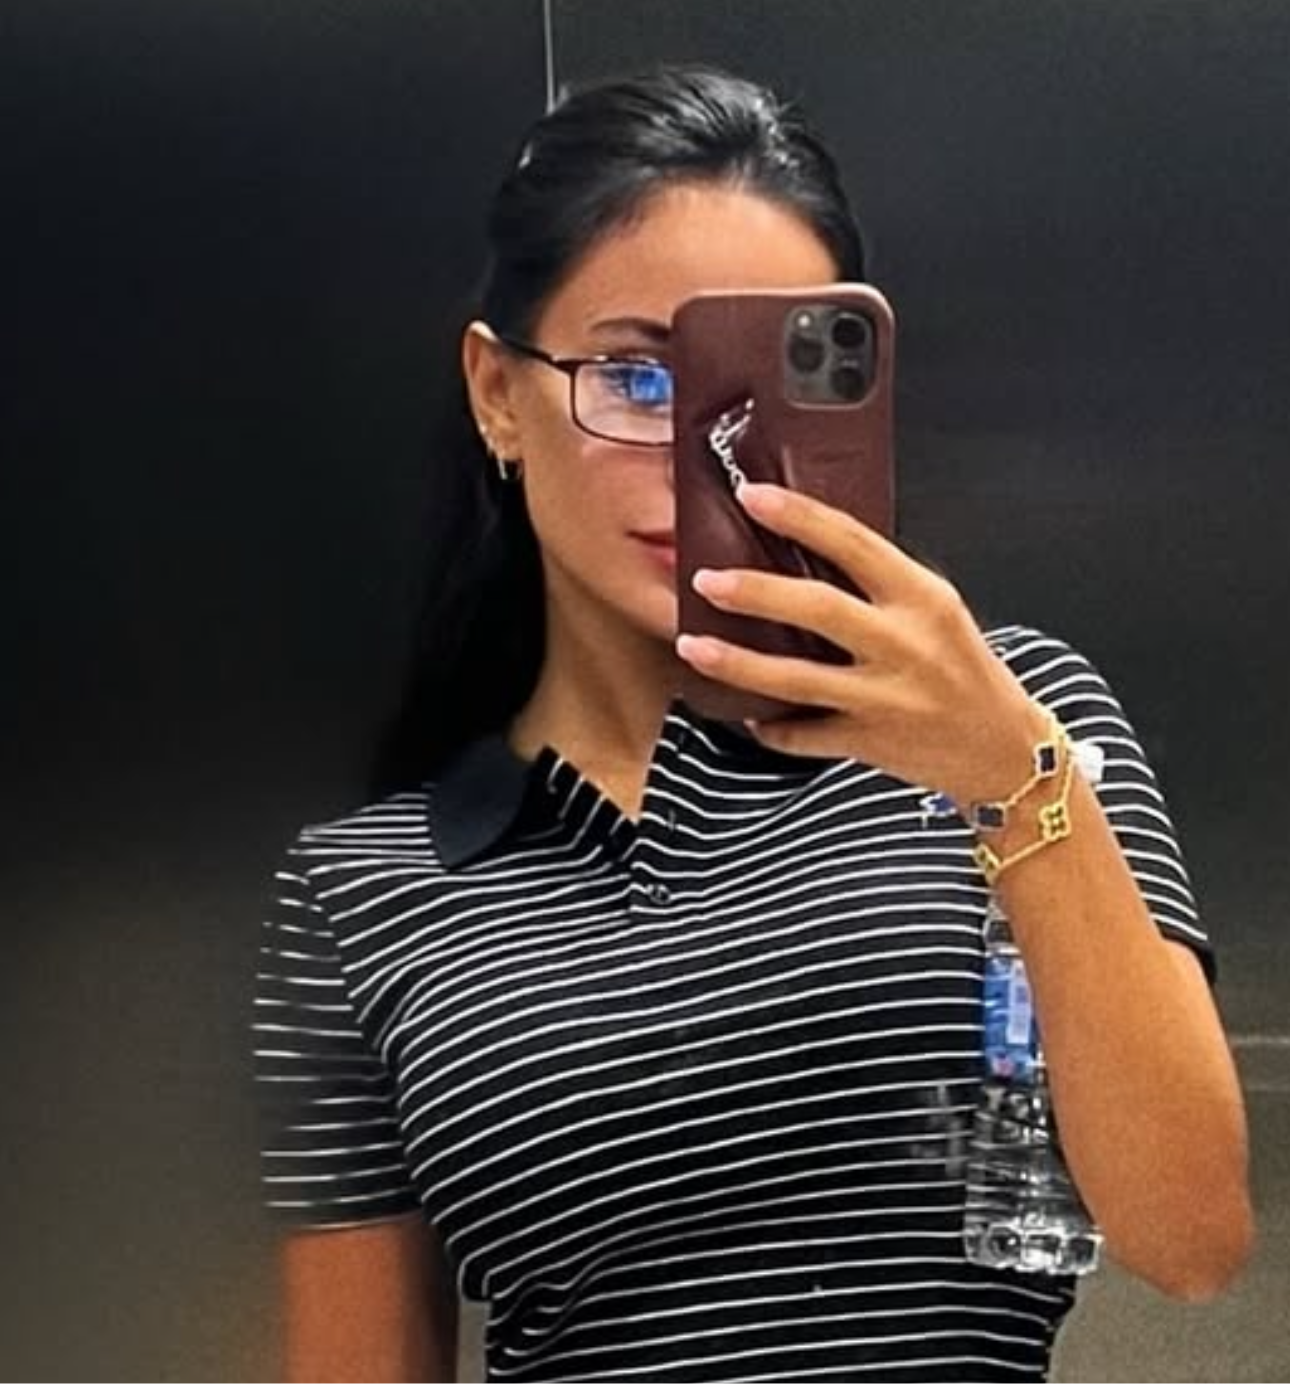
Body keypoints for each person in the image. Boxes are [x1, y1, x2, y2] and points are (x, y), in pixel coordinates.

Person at [253, 64, 1252, 1384]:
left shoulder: (1018, 725)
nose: (705, 459)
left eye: (763, 393)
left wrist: (1014, 781)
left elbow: (1190, 1235)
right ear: (498, 394)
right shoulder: (358, 893)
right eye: (636, 378)